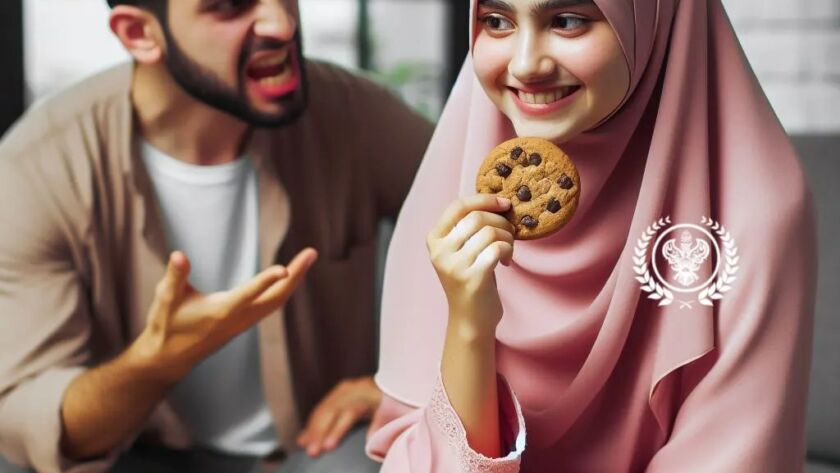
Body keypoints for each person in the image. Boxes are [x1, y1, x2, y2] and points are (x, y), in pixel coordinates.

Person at [366, 0, 817, 471]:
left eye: (567, 20)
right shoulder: (454, 180)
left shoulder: (756, 214)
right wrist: (468, 328)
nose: (525, 65)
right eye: (497, 22)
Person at [0, 0, 432, 472]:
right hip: (137, 457)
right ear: (138, 33)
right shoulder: (37, 167)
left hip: (315, 451)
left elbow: (509, 235)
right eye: (230, 7)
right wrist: (155, 363)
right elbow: (27, 422)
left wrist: (402, 384)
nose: (281, 23)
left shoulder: (355, 114)